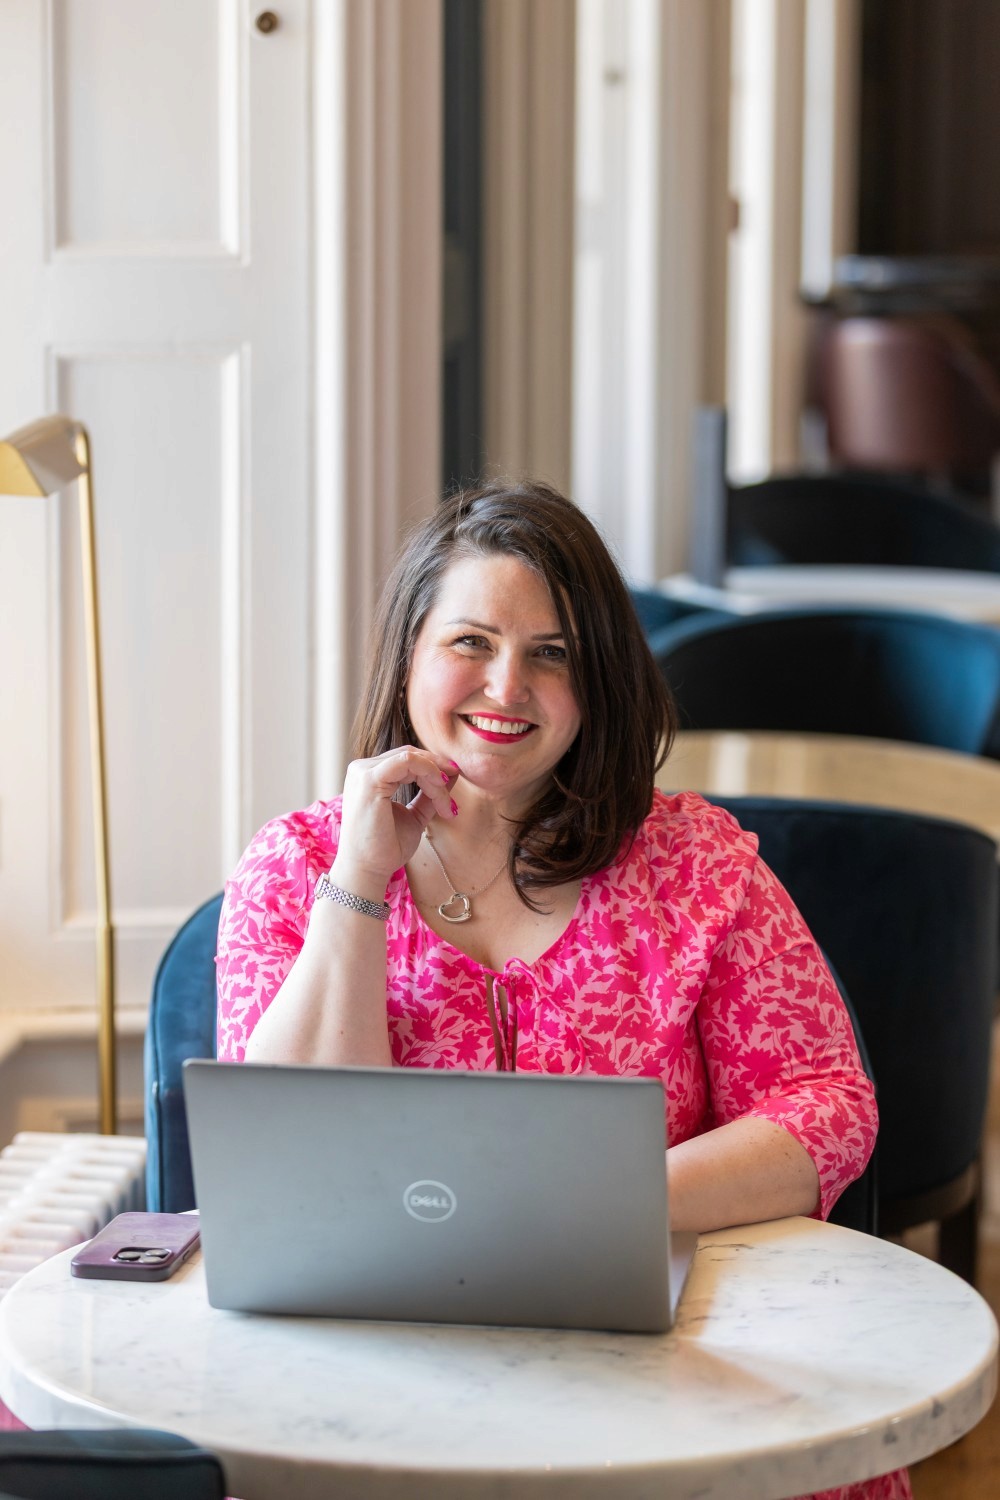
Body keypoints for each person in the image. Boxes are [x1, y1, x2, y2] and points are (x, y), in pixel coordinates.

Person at [217, 479, 906, 1500]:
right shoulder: (296, 866)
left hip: (668, 1363)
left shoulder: (695, 865)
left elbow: (826, 1106)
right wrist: (360, 880)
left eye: (552, 654)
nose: (506, 687)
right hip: (382, 1376)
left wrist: (590, 1212)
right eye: (470, 643)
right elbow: (285, 1155)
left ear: (598, 683)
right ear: (408, 653)